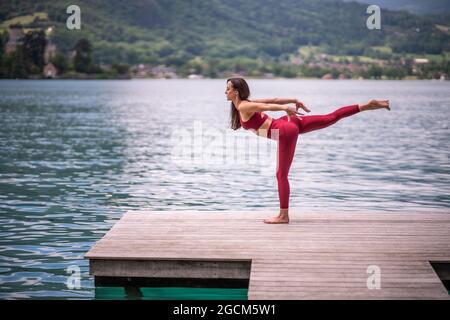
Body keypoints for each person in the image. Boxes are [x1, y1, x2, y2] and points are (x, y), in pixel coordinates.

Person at [226, 77, 390, 224]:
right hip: (290, 122)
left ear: (236, 91)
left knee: (281, 175)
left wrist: (285, 108)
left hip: (284, 129)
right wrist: (294, 100)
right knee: (330, 117)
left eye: (228, 88)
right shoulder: (246, 104)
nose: (225, 91)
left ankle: (283, 216)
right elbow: (273, 100)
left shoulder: (244, 106)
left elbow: (268, 105)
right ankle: (366, 106)